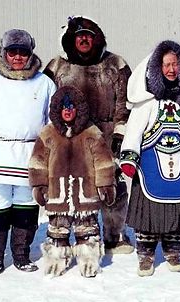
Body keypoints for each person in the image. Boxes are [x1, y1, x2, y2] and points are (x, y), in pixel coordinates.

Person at [0, 29, 56, 277]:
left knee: (26, 207)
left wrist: (51, 156)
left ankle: (21, 255)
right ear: (3, 52)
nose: (17, 57)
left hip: (31, 154)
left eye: (23, 52)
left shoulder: (45, 83)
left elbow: (52, 123)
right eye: (12, 51)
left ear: (30, 53)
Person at [43, 16, 134, 254]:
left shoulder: (115, 64)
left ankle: (115, 235)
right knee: (69, 187)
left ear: (97, 39)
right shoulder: (57, 66)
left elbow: (125, 102)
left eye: (89, 36)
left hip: (106, 135)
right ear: (71, 39)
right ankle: (66, 235)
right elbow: (46, 103)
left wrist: (120, 133)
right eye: (79, 35)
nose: (84, 39)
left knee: (112, 185)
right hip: (70, 138)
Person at [120, 40, 180, 276]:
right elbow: (134, 130)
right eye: (166, 64)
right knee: (148, 209)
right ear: (157, 68)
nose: (171, 70)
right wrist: (129, 157)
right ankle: (146, 254)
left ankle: (173, 250)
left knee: (178, 208)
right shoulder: (147, 102)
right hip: (150, 165)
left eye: (175, 65)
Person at [29, 86, 115, 278]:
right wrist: (39, 185)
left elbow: (103, 162)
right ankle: (56, 261)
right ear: (57, 109)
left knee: (88, 230)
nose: (68, 110)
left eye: (72, 106)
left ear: (80, 109)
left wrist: (106, 184)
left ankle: (89, 262)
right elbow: (38, 162)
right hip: (57, 195)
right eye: (64, 106)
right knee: (57, 231)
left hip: (85, 195)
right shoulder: (48, 134)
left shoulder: (91, 133)